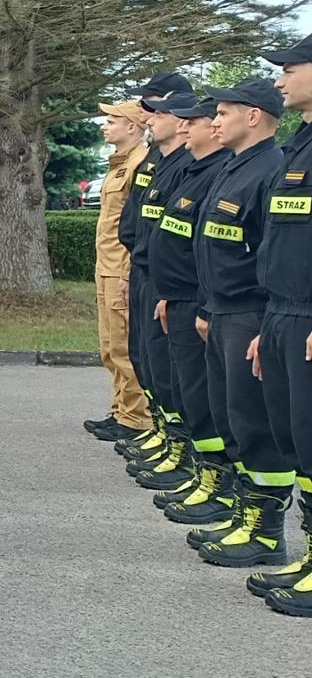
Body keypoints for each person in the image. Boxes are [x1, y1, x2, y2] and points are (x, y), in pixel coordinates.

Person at [186, 78, 288, 567]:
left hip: (250, 313)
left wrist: (265, 325)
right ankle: (244, 512)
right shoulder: (235, 166)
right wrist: (208, 307)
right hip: (223, 310)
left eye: (224, 112)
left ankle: (266, 534)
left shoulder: (271, 168)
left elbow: (271, 255)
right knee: (231, 418)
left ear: (253, 116)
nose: (215, 120)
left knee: (254, 422)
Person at [252, 33, 312, 615]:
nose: (279, 80)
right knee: (297, 439)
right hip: (283, 312)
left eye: (290, 68)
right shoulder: (300, 145)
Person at [147, 98, 229, 507]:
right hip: (176, 295)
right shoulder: (194, 170)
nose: (184, 127)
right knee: (184, 390)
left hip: (202, 301)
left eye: (191, 122)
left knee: (204, 397)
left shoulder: (219, 172)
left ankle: (219, 487)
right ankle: (201, 471)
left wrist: (202, 304)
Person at [122, 92, 201, 489]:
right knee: (147, 358)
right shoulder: (161, 162)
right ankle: (165, 433)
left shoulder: (189, 167)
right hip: (147, 274)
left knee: (177, 373)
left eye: (159, 114)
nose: (149, 120)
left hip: (174, 286)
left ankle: (187, 456)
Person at [87, 100, 153, 443]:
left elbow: (137, 226)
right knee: (109, 347)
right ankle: (120, 410)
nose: (104, 125)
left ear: (131, 126)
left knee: (124, 347)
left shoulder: (141, 164)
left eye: (111, 120)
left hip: (120, 269)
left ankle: (136, 418)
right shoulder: (120, 164)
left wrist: (128, 273)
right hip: (106, 267)